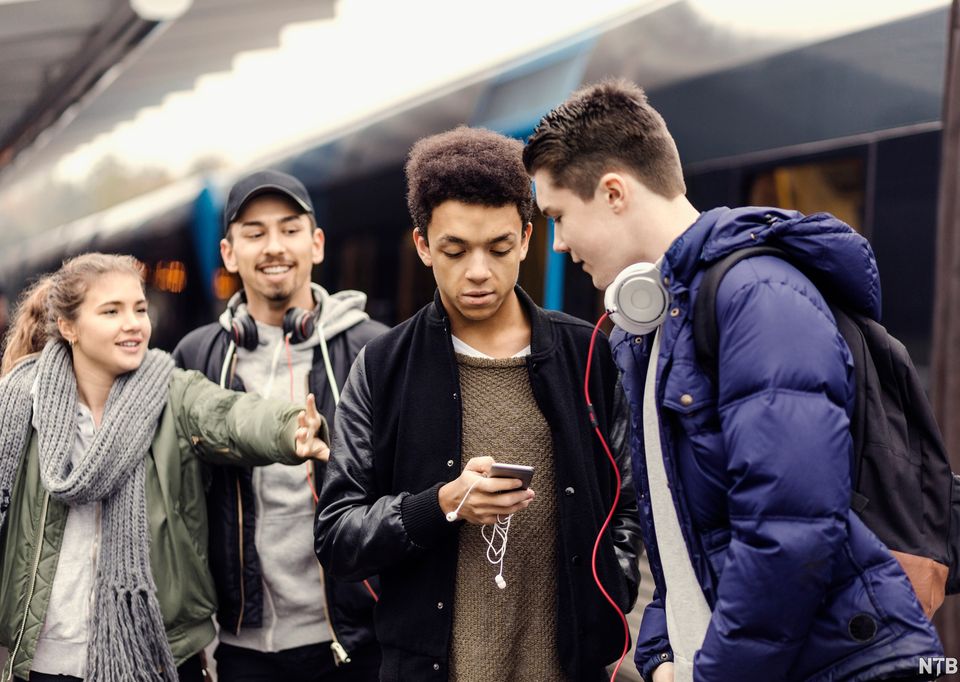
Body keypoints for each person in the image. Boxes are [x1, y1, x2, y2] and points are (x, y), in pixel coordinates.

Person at [523, 80, 944, 682]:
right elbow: (677, 530)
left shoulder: (758, 297)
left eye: (560, 217)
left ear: (613, 191)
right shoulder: (646, 327)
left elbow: (789, 533)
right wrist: (663, 653)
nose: (559, 244)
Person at [313, 127, 642, 681]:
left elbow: (627, 504)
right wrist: (440, 505)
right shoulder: (381, 366)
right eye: (455, 250)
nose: (479, 272)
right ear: (422, 246)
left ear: (527, 239)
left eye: (498, 247)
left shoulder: (587, 353)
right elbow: (338, 537)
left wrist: (612, 584)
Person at [0, 253, 329, 682]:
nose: (134, 323)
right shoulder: (21, 402)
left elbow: (232, 417)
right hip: (45, 661)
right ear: (69, 327)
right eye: (111, 311)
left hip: (159, 654)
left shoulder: (172, 390)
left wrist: (289, 429)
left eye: (139, 308)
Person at [173, 170, 387, 680]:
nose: (274, 247)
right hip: (241, 642)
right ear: (228, 253)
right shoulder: (196, 356)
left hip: (354, 637)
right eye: (255, 232)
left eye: (290, 230)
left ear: (316, 244)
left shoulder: (374, 349)